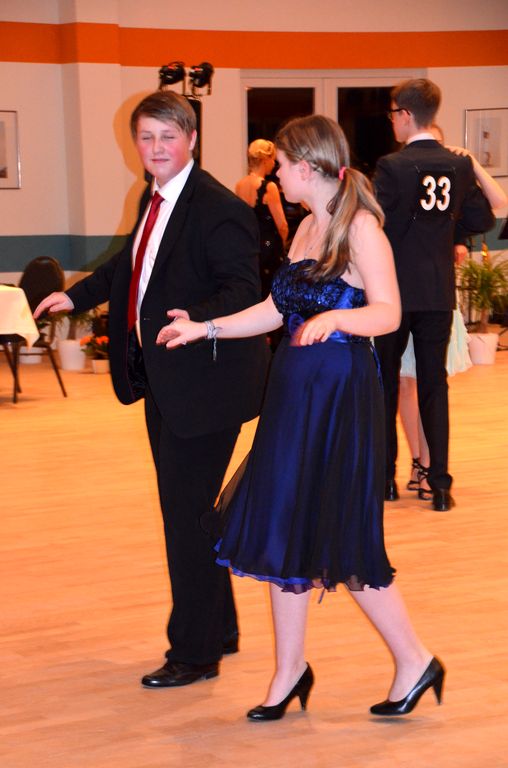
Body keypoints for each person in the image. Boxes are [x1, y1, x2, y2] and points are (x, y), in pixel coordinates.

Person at [157, 114, 445, 720]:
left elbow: (389, 313)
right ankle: (289, 672)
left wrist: (336, 318)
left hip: (338, 393)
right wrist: (205, 328)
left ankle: (415, 659)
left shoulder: (360, 227)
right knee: (282, 526)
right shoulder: (308, 226)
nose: (276, 176)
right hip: (293, 392)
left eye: (283, 165)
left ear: (309, 167)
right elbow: (273, 309)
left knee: (343, 535)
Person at [34, 91, 269, 688]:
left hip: (206, 384)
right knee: (193, 511)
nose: (156, 147)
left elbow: (243, 290)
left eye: (168, 136)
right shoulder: (155, 196)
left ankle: (194, 653)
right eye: (146, 137)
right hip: (167, 379)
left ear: (191, 139)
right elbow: (130, 266)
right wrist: (75, 295)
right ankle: (219, 628)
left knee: (184, 517)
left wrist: (196, 319)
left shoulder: (218, 208)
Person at [373, 78, 495, 512]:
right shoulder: (456, 166)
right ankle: (440, 486)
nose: (392, 122)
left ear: (406, 115)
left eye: (393, 114)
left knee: (387, 384)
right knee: (433, 387)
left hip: (393, 293)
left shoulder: (391, 166)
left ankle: (386, 480)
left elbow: (375, 223)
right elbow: (482, 217)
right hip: (438, 292)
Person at [398, 123, 507, 498]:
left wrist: (473, 161)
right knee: (406, 385)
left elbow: (499, 202)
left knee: (430, 384)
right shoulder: (407, 180)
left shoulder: (456, 186)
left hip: (436, 300)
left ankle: (429, 467)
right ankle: (418, 462)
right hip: (406, 297)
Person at [235, 139, 289, 301]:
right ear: (265, 160)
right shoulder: (269, 187)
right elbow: (282, 225)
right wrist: (283, 246)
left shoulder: (239, 185)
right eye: (272, 159)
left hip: (248, 249)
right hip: (268, 251)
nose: (274, 163)